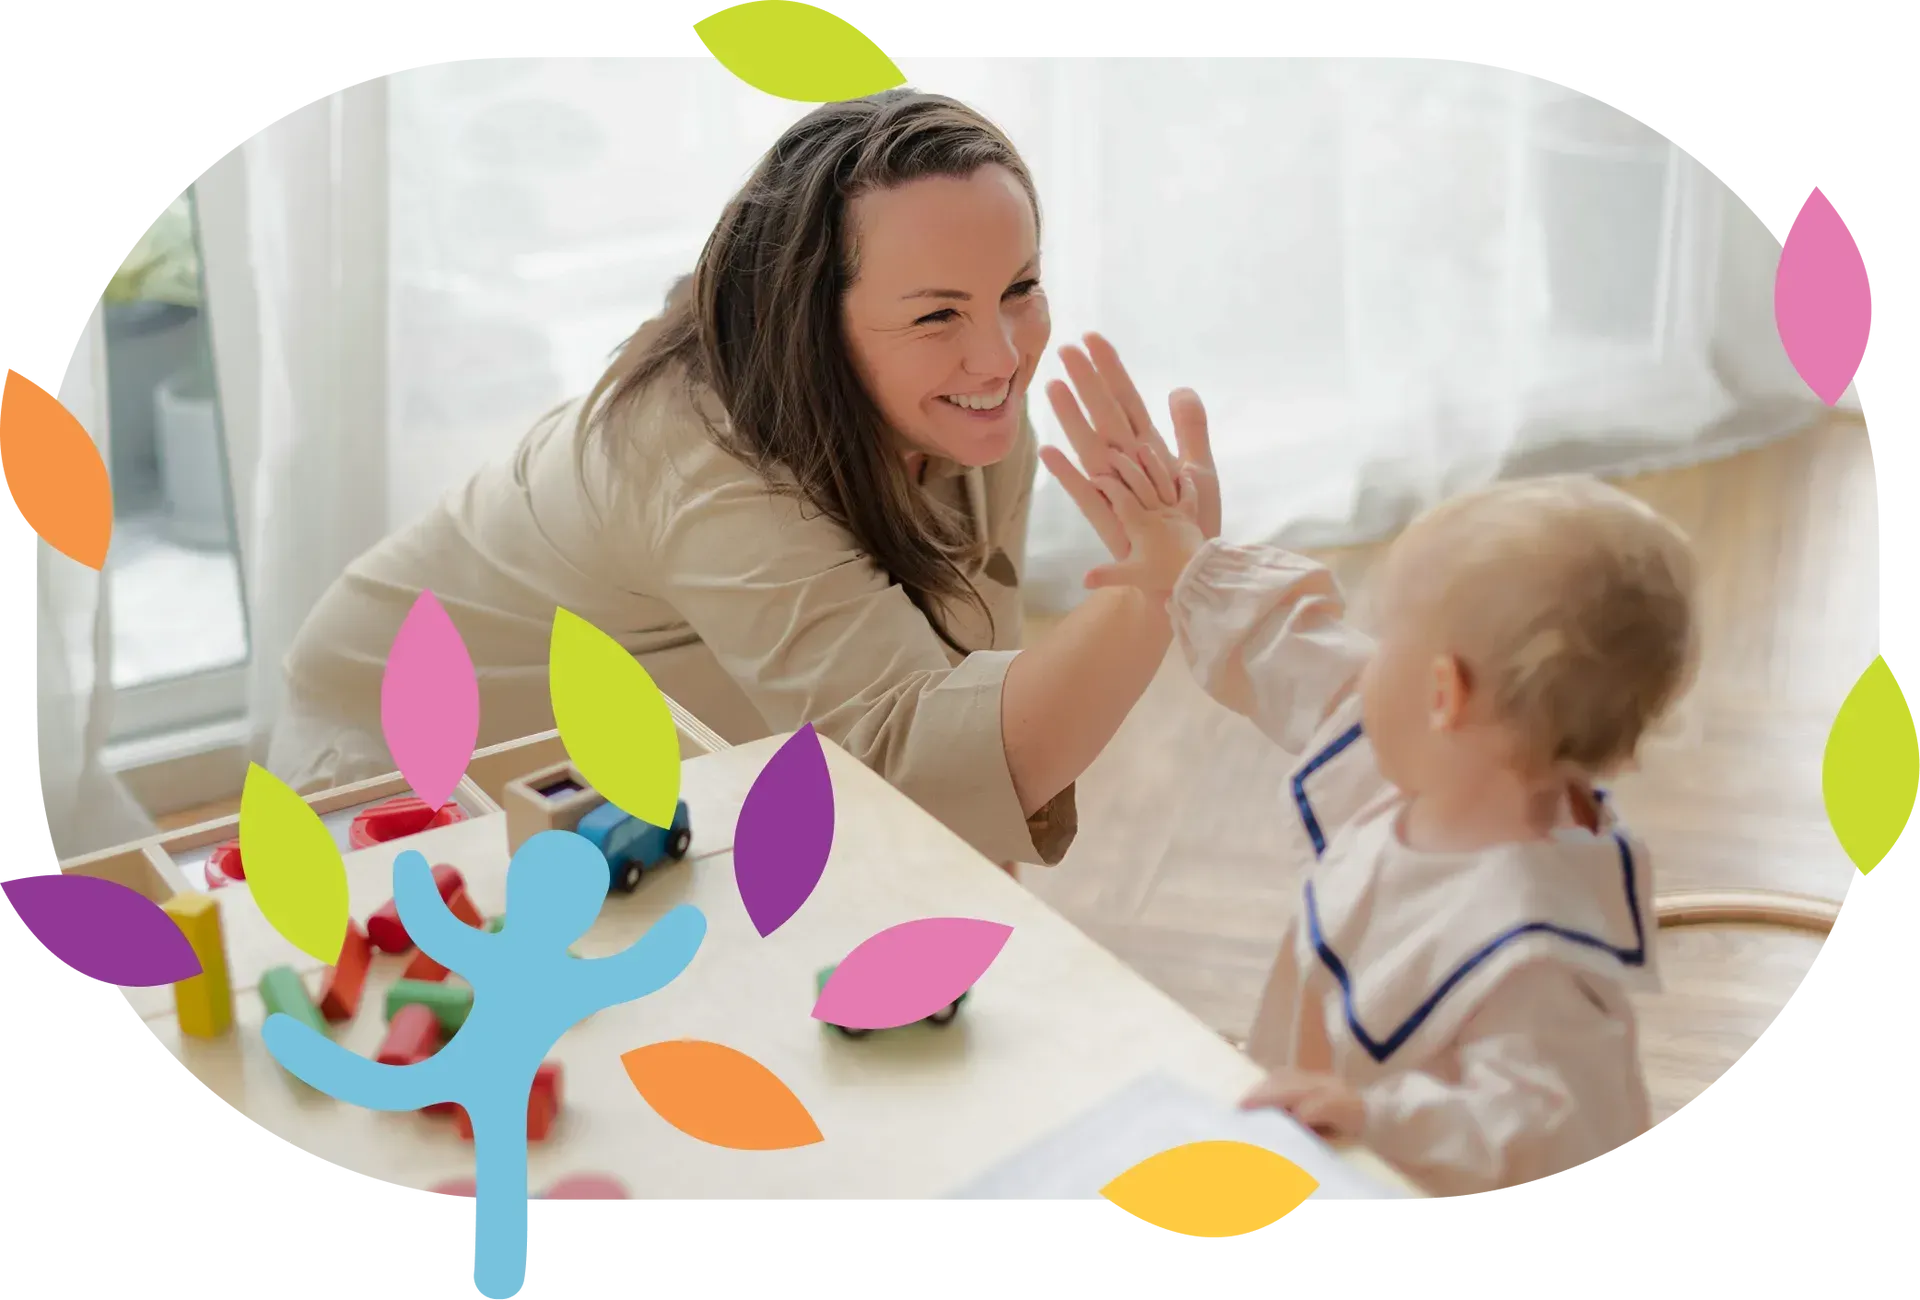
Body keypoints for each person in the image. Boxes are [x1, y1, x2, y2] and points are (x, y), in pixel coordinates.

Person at [267, 88, 1219, 870]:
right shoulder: (702, 463)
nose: (1003, 358)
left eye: (1019, 288)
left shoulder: (968, 413)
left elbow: (968, 714)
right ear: (810, 319)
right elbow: (917, 768)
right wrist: (1151, 592)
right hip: (405, 739)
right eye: (938, 315)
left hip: (646, 744)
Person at [1054, 449, 1698, 1199]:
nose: (1366, 657)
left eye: (1388, 635)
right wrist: (1189, 566)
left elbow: (1534, 1129)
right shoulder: (1443, 760)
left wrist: (1376, 1119)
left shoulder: (1533, 954)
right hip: (1302, 1124)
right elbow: (1297, 649)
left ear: (1443, 694)